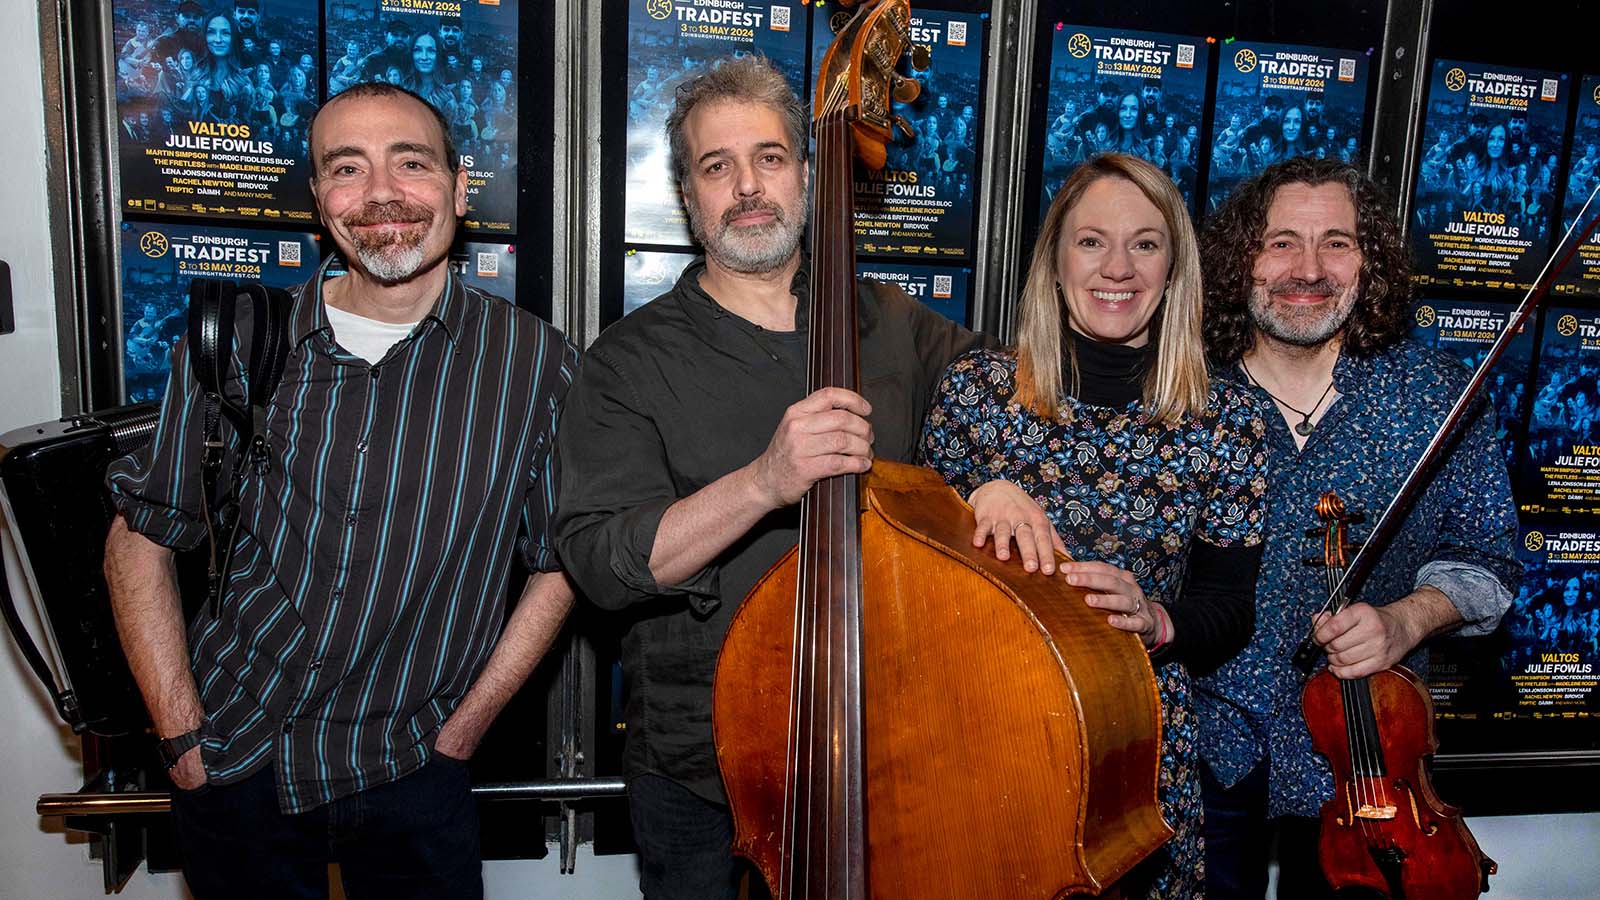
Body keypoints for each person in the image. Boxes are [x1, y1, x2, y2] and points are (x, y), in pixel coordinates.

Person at [103, 82, 579, 900]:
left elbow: (559, 561)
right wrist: (181, 733)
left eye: (411, 163)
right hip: (237, 756)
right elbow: (140, 533)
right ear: (319, 198)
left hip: (414, 769)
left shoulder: (537, 363)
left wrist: (467, 727)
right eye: (347, 168)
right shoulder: (240, 341)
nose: (383, 193)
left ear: (460, 189)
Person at [552, 56, 991, 900]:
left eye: (770, 157)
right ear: (689, 197)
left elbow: (1015, 401)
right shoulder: (628, 360)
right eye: (717, 167)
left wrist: (996, 478)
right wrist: (763, 480)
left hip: (885, 741)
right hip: (701, 769)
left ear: (808, 173)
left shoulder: (894, 324)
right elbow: (602, 564)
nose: (747, 186)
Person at [921, 153, 1268, 899]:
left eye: (1145, 243)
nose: (1118, 267)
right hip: (980, 743)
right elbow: (909, 582)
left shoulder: (1227, 420)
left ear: (1175, 269)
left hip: (1135, 753)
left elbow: (1231, 606)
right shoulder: (978, 392)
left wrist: (1158, 621)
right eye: (1091, 241)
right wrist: (975, 494)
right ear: (1053, 262)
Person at [1192, 157, 1518, 899]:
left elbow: (1489, 566)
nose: (1308, 269)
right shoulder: (1184, 386)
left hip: (1369, 759)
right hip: (1204, 739)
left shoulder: (1435, 393)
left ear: (1369, 263)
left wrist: (1406, 620)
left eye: (1336, 242)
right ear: (1240, 257)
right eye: (1280, 242)